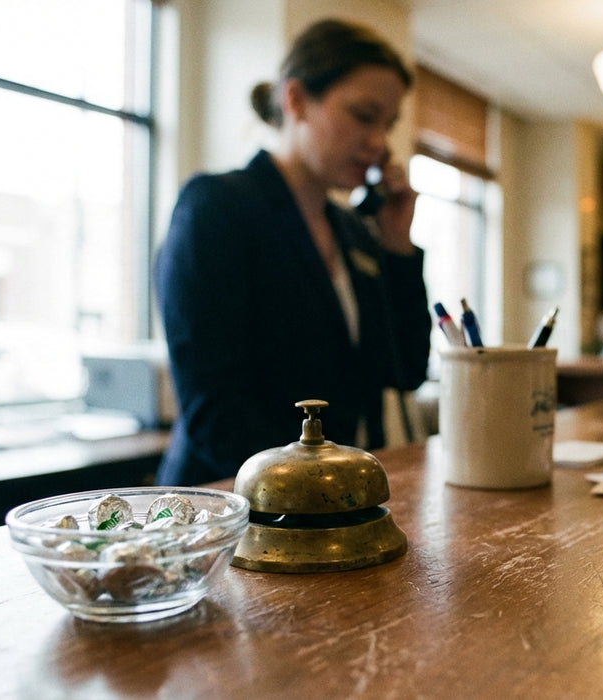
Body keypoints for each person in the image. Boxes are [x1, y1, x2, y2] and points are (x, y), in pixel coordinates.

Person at [154, 18, 431, 486]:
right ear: (296, 99)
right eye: (364, 116)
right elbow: (214, 409)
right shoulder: (216, 208)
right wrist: (316, 496)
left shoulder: (354, 233)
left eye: (387, 125)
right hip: (229, 510)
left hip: (328, 514)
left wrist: (398, 244)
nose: (379, 143)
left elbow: (405, 369)